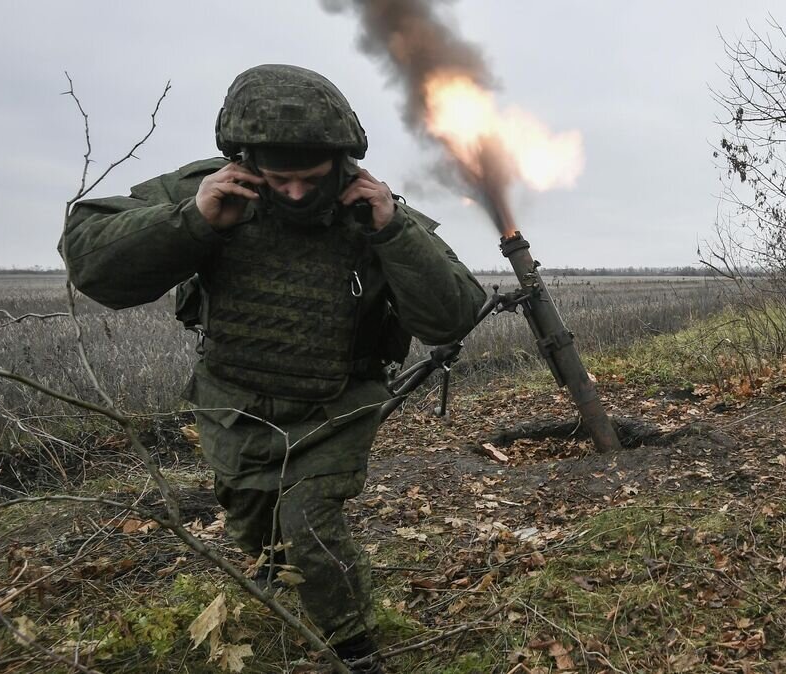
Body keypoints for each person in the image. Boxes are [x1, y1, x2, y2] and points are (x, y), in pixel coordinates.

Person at [59, 64, 487, 672]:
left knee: (308, 525)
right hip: (234, 403)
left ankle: (357, 650)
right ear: (245, 160)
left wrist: (394, 234)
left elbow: (451, 317)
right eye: (277, 178)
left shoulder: (374, 210)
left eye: (308, 179)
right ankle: (283, 598)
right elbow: (90, 260)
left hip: (337, 403)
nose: (292, 193)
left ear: (341, 164)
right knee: (257, 534)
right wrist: (194, 220)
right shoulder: (207, 190)